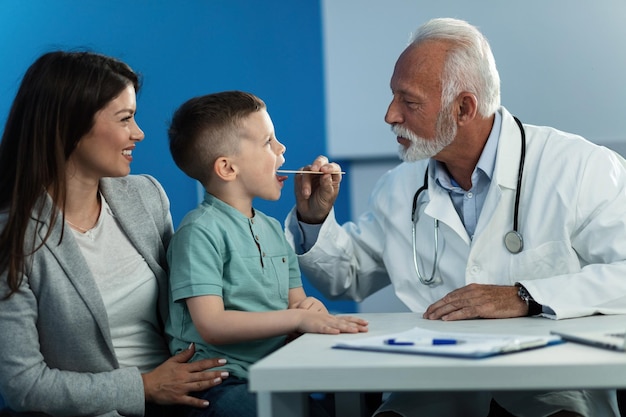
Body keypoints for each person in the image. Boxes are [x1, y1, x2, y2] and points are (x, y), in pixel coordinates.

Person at [285, 17, 626, 417]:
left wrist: (524, 296)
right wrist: (314, 220)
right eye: (393, 97)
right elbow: (348, 277)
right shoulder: (401, 187)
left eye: (409, 102)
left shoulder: (580, 168)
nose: (390, 115)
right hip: (431, 389)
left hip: (551, 389)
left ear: (464, 108)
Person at [0, 51, 229, 417]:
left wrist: (289, 314)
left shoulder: (145, 196)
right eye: (125, 119)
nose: (138, 133)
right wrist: (144, 387)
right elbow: (25, 385)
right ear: (68, 126)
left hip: (185, 395)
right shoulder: (13, 237)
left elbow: (196, 297)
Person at [165, 90, 369, 417]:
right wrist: (298, 316)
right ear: (227, 168)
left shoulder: (273, 229)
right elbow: (212, 324)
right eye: (268, 142)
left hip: (275, 370)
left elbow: (295, 303)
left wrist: (308, 309)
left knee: (363, 387)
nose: (281, 148)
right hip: (219, 381)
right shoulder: (198, 232)